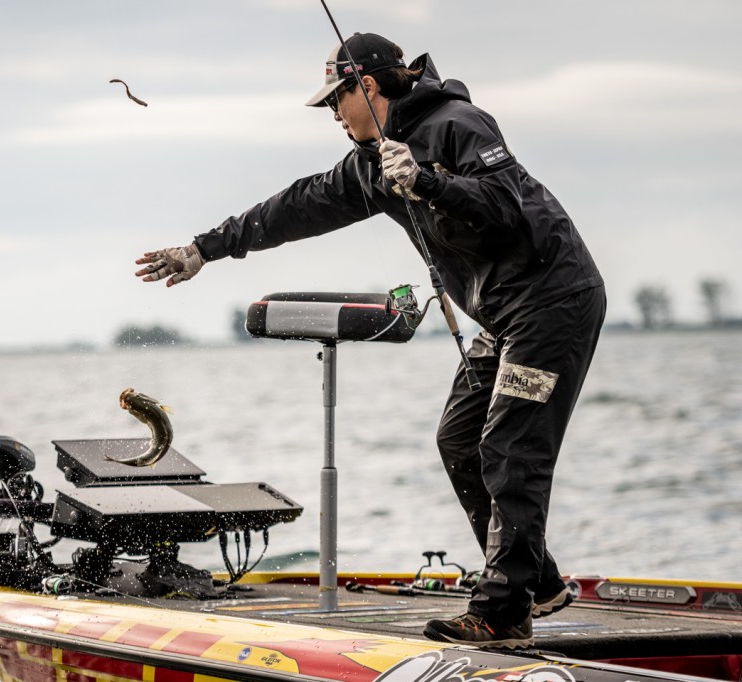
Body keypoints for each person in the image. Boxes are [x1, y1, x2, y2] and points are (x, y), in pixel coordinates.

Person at [133, 32, 605, 650]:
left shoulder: (459, 124)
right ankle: (534, 582)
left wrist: (428, 182)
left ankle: (502, 612)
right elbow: (295, 206)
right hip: (502, 320)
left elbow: (504, 207)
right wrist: (204, 249)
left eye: (337, 99)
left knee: (510, 448)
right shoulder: (368, 165)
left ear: (370, 86)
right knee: (459, 440)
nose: (333, 113)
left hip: (552, 304)